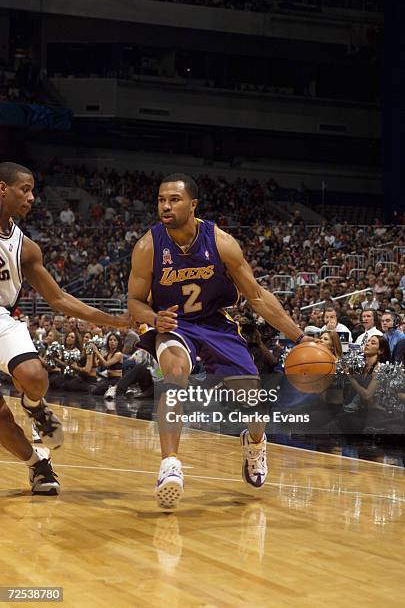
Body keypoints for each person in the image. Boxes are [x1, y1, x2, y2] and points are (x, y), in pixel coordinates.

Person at [127, 173, 308, 509]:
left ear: (193, 204)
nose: (166, 206)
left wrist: (299, 337)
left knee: (251, 396)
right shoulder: (147, 246)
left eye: (174, 200)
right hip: (173, 323)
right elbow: (134, 303)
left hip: (214, 323)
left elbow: (256, 296)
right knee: (175, 374)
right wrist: (153, 319)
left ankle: (255, 443)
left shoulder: (221, 242)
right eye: (161, 200)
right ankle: (170, 466)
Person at [0, 162, 130, 495]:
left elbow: (57, 299)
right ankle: (38, 466)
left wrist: (113, 319)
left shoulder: (25, 247)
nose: (32, 197)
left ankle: (33, 405)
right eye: (25, 189)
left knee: (35, 376)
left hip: (1, 317)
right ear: (3, 188)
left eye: (32, 190)